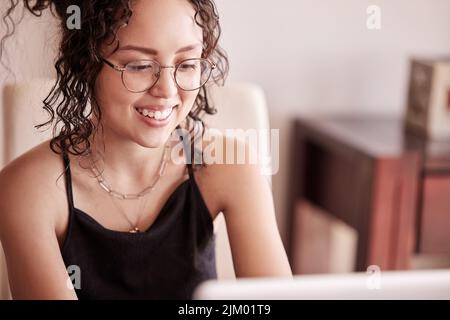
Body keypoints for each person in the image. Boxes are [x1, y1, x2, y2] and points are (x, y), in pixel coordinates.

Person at [0, 0, 292, 300]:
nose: (167, 90)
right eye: (139, 66)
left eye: (188, 64)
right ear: (86, 62)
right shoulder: (26, 190)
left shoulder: (230, 166)